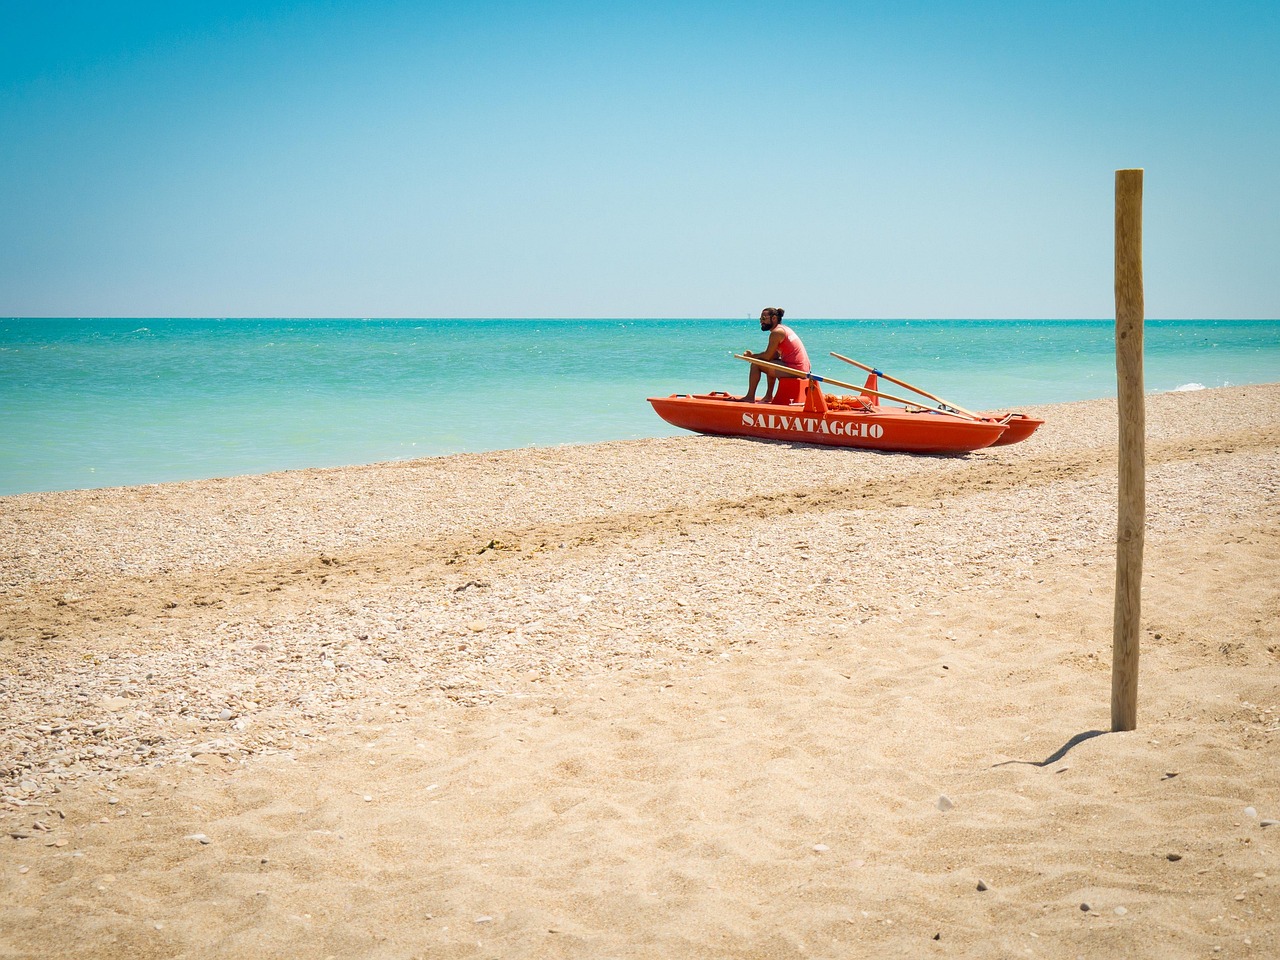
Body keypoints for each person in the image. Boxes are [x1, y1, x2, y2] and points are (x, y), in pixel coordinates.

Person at [737, 307, 810, 403]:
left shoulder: (776, 333)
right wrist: (755, 356)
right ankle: (768, 396)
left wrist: (751, 357)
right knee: (769, 363)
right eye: (760, 319)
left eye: (764, 318)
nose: (761, 322)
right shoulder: (784, 329)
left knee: (756, 364)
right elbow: (772, 356)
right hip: (802, 369)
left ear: (774, 318)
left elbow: (767, 356)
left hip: (796, 370)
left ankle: (750, 397)